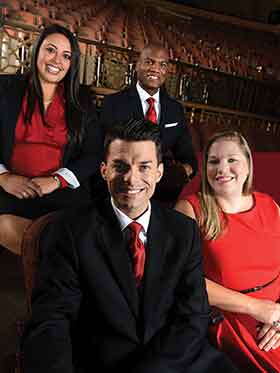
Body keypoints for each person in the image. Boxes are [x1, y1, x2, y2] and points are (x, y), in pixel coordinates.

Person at [22, 119, 238, 373]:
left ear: (159, 172)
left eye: (144, 167)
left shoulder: (183, 230)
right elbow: (51, 320)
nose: (131, 179)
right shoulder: (68, 230)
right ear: (104, 170)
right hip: (101, 362)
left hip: (172, 360)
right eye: (119, 166)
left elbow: (192, 317)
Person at [175, 130, 280, 372]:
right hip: (228, 318)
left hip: (274, 316)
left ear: (247, 164)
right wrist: (257, 308)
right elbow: (182, 280)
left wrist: (277, 318)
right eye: (214, 161)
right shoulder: (190, 209)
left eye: (232, 160)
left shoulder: (270, 205)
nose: (222, 168)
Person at [0, 24, 103, 255]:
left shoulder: (82, 100)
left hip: (60, 191)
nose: (57, 60)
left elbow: (93, 154)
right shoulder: (6, 88)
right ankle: (62, 261)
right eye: (50, 50)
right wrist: (4, 177)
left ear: (72, 63)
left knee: (80, 227)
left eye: (66, 56)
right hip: (10, 189)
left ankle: (55, 260)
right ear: (37, 51)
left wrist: (57, 180)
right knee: (4, 225)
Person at [100, 43, 198, 202]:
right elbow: (103, 151)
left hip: (163, 191)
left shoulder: (176, 110)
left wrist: (183, 171)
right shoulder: (113, 103)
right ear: (137, 65)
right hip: (124, 186)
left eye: (162, 65)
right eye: (149, 62)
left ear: (167, 71)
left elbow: (188, 157)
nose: (155, 68)